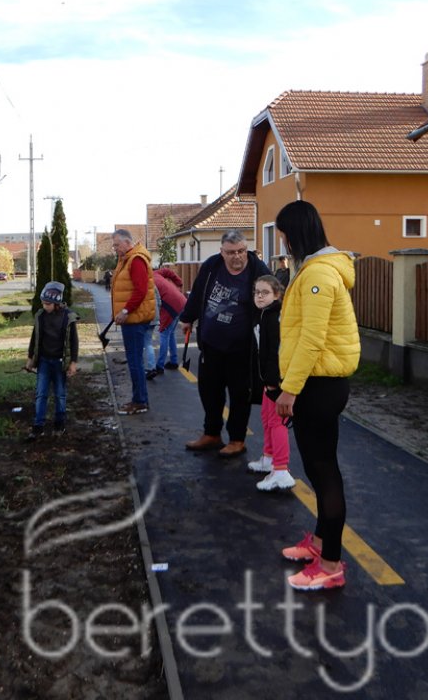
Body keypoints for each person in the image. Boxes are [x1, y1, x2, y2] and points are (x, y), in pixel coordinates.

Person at [275, 200, 361, 591]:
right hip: (316, 383)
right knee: (317, 468)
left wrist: (289, 389)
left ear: (296, 233)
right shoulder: (312, 271)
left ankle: (330, 564)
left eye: (284, 235)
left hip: (318, 385)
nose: (283, 243)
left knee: (324, 472)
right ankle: (322, 542)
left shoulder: (319, 276)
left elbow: (311, 340)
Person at [180, 230, 270, 457]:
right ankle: (211, 434)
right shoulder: (212, 266)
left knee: (240, 394)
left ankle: (237, 439)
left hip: (242, 348)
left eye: (241, 251)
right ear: (222, 252)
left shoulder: (258, 271)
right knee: (209, 391)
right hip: (211, 344)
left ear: (246, 248)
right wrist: (187, 317)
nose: (237, 256)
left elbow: (271, 303)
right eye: (230, 252)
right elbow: (198, 291)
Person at [248, 274, 295, 491]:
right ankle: (268, 458)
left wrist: (274, 381)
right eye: (257, 292)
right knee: (266, 418)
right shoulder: (263, 314)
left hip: (275, 381)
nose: (259, 296)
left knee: (277, 423)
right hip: (266, 379)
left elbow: (278, 352)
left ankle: (282, 469)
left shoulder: (275, 317)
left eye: (265, 292)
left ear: (276, 294)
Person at [110, 229, 156, 414]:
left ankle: (140, 402)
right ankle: (139, 399)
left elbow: (140, 291)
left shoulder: (136, 260)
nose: (114, 249)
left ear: (127, 242)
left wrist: (125, 310)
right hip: (131, 319)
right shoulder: (127, 259)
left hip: (134, 320)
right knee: (134, 360)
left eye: (116, 245)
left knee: (135, 361)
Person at [25, 281, 79, 438]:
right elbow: (34, 338)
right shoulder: (41, 316)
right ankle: (38, 425)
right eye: (43, 303)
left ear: (56, 302)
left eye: (48, 303)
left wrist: (73, 362)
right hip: (43, 361)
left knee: (60, 394)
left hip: (60, 363)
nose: (45, 306)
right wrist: (30, 358)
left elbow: (73, 342)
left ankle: (59, 424)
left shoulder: (68, 317)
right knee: (41, 394)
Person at [154, 267, 186, 372]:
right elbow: (167, 271)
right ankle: (173, 361)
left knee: (164, 333)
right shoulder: (156, 273)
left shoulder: (147, 282)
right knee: (170, 333)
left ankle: (160, 366)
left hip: (170, 306)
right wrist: (179, 283)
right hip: (182, 301)